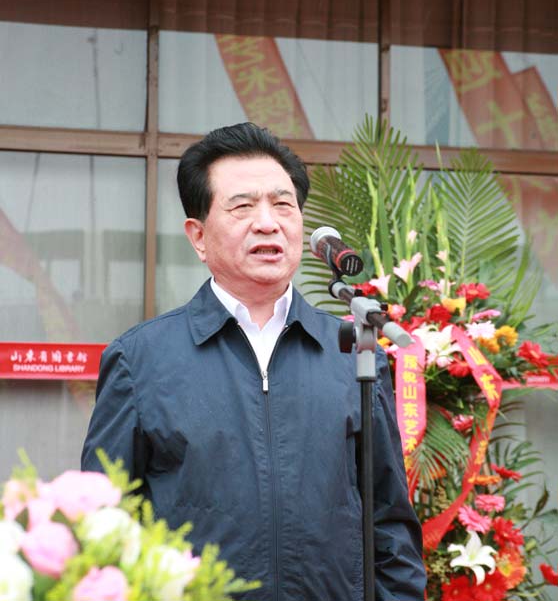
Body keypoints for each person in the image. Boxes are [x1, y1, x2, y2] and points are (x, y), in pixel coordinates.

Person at [81, 122, 426, 600]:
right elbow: (103, 525)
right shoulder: (139, 360)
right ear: (198, 236)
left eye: (283, 204)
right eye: (242, 206)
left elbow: (389, 524)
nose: (268, 222)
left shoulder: (352, 353)